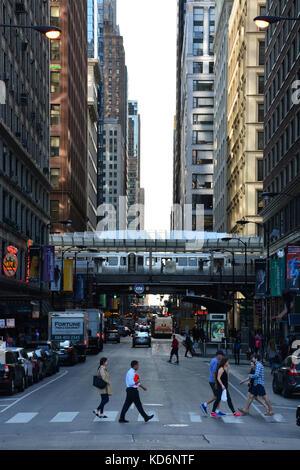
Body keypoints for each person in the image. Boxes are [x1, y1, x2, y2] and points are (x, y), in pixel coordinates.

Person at [200, 350, 224, 416]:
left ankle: (217, 411)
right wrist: (216, 383)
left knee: (218, 396)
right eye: (221, 356)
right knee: (217, 396)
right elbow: (214, 373)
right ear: (218, 355)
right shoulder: (216, 361)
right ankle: (204, 405)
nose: (222, 357)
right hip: (213, 381)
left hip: (213, 380)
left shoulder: (213, 360)